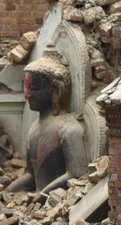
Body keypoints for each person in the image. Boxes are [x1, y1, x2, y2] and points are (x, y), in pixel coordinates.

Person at [7, 45, 90, 194]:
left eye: (33, 88)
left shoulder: (69, 129)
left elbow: (76, 175)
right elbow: (32, 176)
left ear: (56, 90)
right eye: (26, 88)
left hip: (58, 203)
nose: (27, 95)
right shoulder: (33, 128)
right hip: (37, 206)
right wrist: (8, 192)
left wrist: (42, 195)